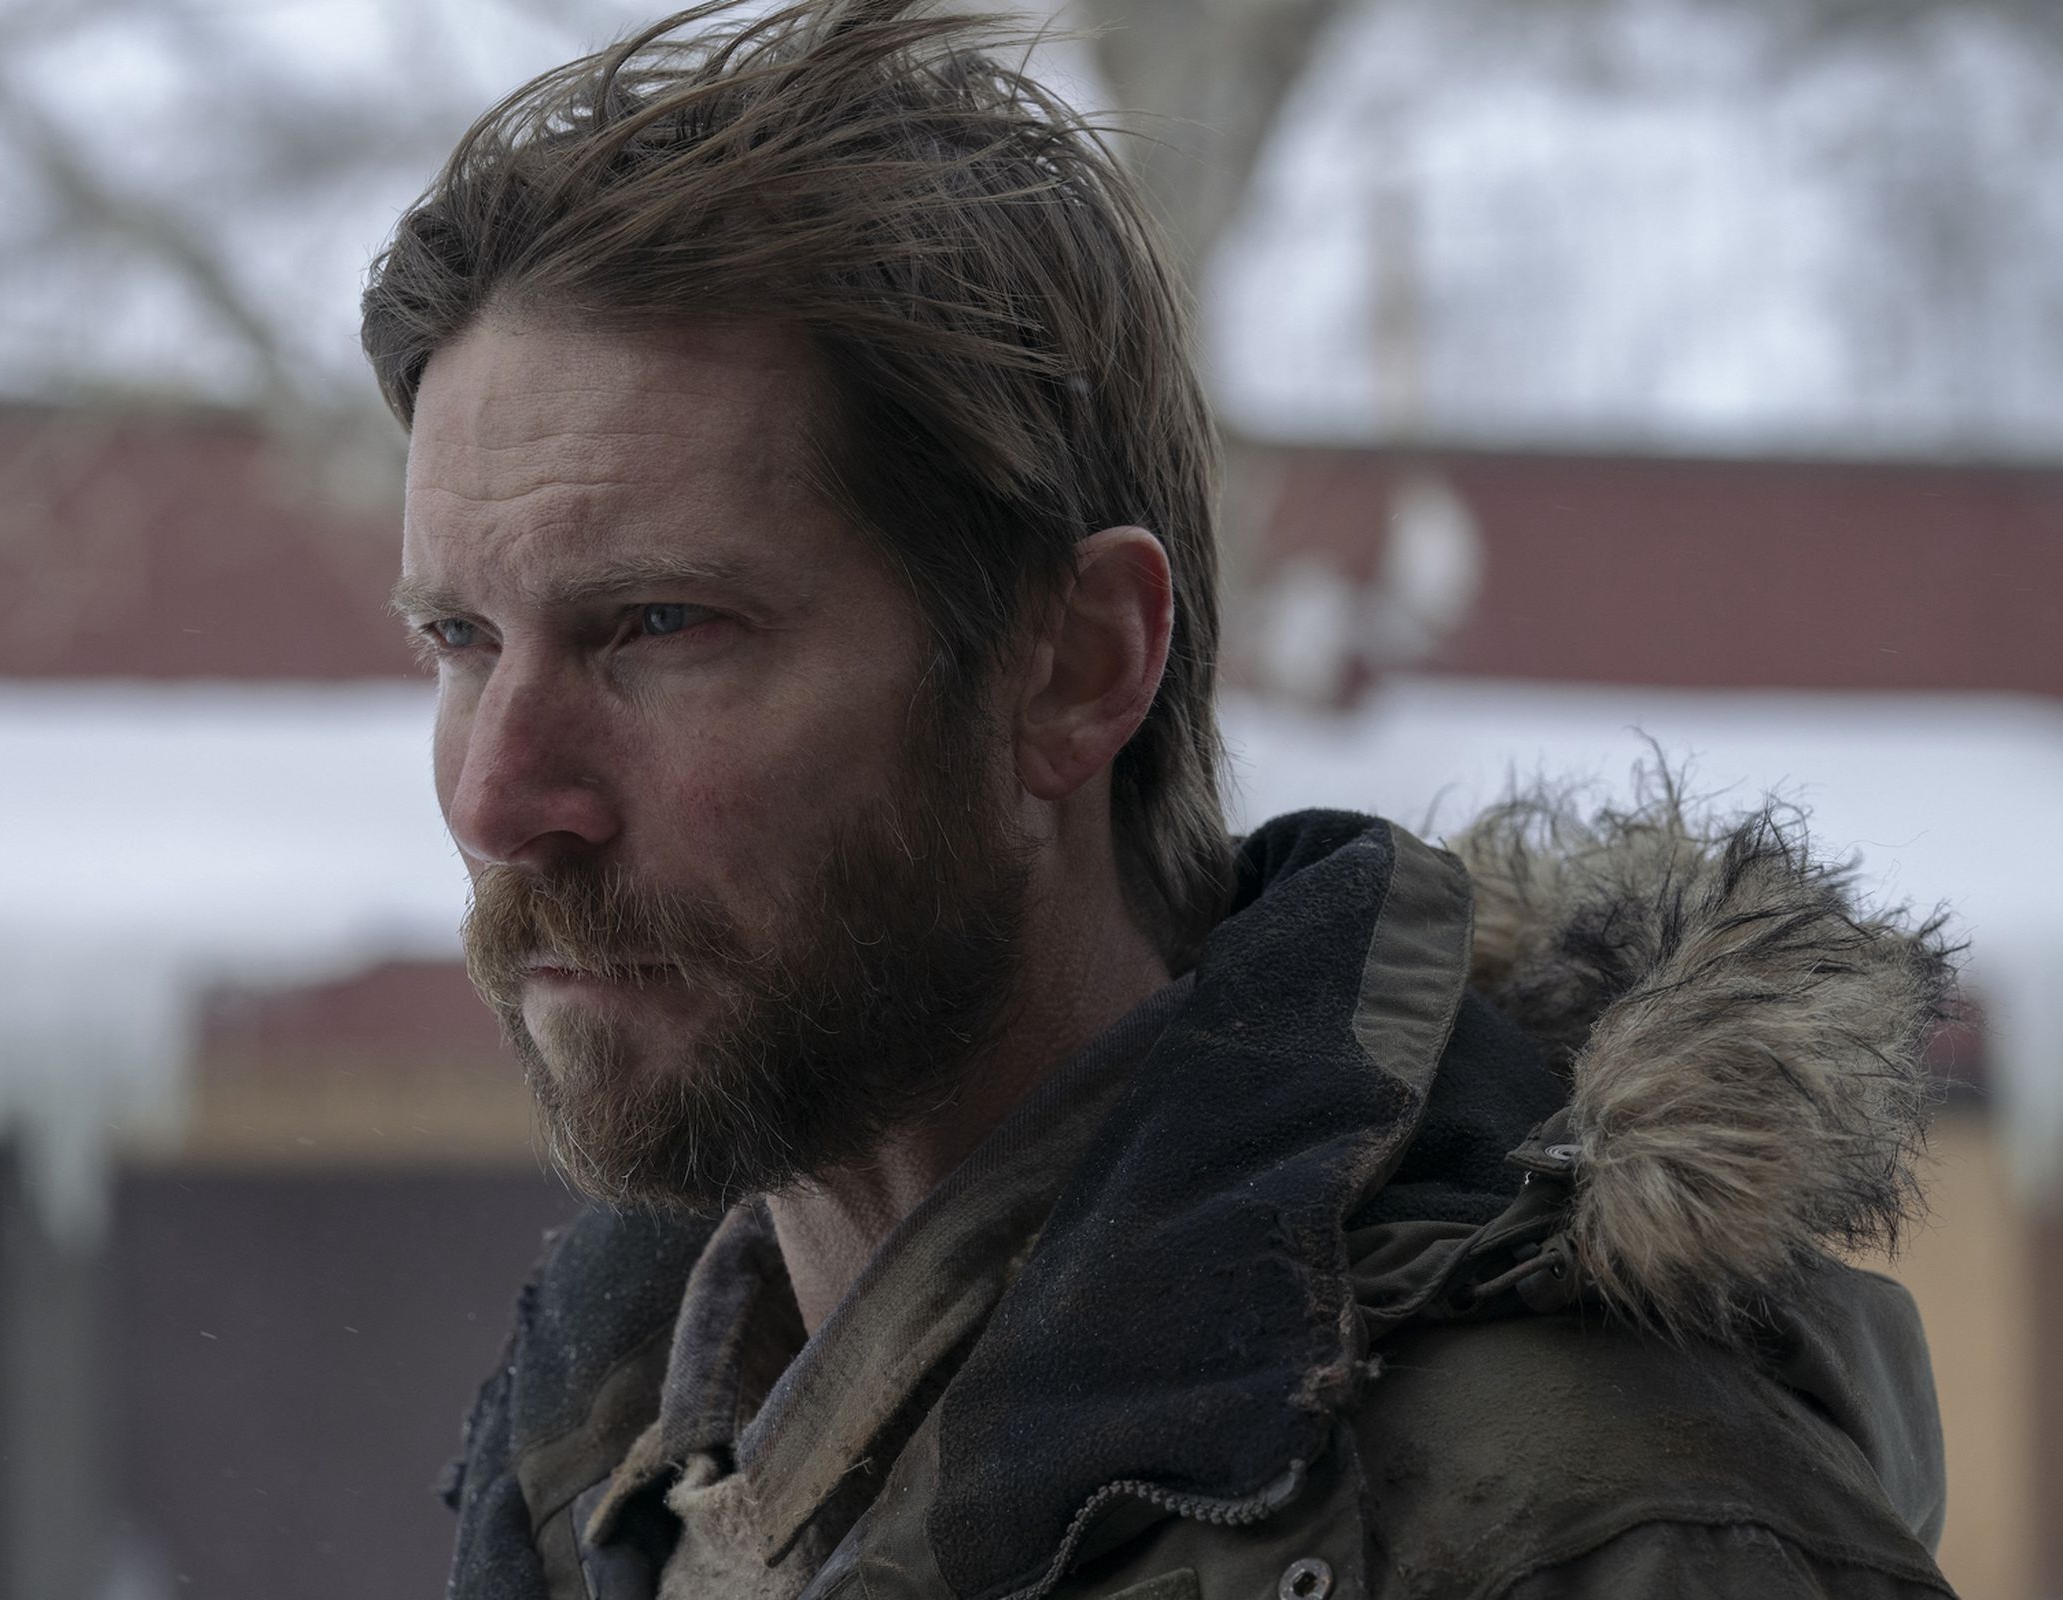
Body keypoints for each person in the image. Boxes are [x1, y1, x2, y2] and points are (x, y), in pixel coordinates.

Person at [360, 3, 1958, 1594]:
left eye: (659, 628)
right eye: (460, 638)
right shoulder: (608, 1479)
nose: (506, 796)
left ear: (1072, 665)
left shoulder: (1580, 1539)